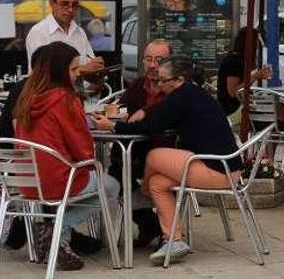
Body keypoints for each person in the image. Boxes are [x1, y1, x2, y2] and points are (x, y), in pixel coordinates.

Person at [93, 58, 242, 266]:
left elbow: (150, 127)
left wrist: (113, 127)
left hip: (217, 170)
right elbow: (159, 117)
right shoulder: (191, 93)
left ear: (178, 80)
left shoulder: (181, 97)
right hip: (223, 166)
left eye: (163, 80)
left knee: (154, 156)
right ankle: (174, 240)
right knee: (158, 184)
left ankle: (142, 197)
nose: (159, 85)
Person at [13, 41, 119, 271]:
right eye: (73, 70)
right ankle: (59, 230)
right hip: (59, 179)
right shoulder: (65, 98)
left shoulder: (27, 97)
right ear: (60, 71)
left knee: (95, 184)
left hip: (27, 181)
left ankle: (55, 234)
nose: (76, 74)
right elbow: (82, 149)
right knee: (111, 187)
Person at [111, 38, 173, 248]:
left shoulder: (176, 89)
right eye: (148, 59)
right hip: (134, 152)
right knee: (115, 178)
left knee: (143, 175)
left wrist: (144, 113)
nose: (153, 65)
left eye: (159, 59)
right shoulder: (138, 85)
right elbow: (122, 110)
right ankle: (150, 225)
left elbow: (167, 115)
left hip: (167, 152)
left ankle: (167, 232)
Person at [25, 0, 104, 75]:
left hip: (79, 89)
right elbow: (43, 74)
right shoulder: (38, 32)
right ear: (52, 3)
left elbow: (89, 62)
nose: (70, 10)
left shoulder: (80, 32)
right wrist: (83, 69)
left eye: (74, 5)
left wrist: (96, 65)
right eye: (65, 4)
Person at [216, 27, 272, 117]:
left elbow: (242, 85)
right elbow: (233, 92)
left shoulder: (237, 60)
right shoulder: (234, 61)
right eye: (256, 44)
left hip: (236, 106)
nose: (257, 48)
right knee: (274, 111)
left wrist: (255, 76)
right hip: (232, 110)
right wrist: (255, 76)